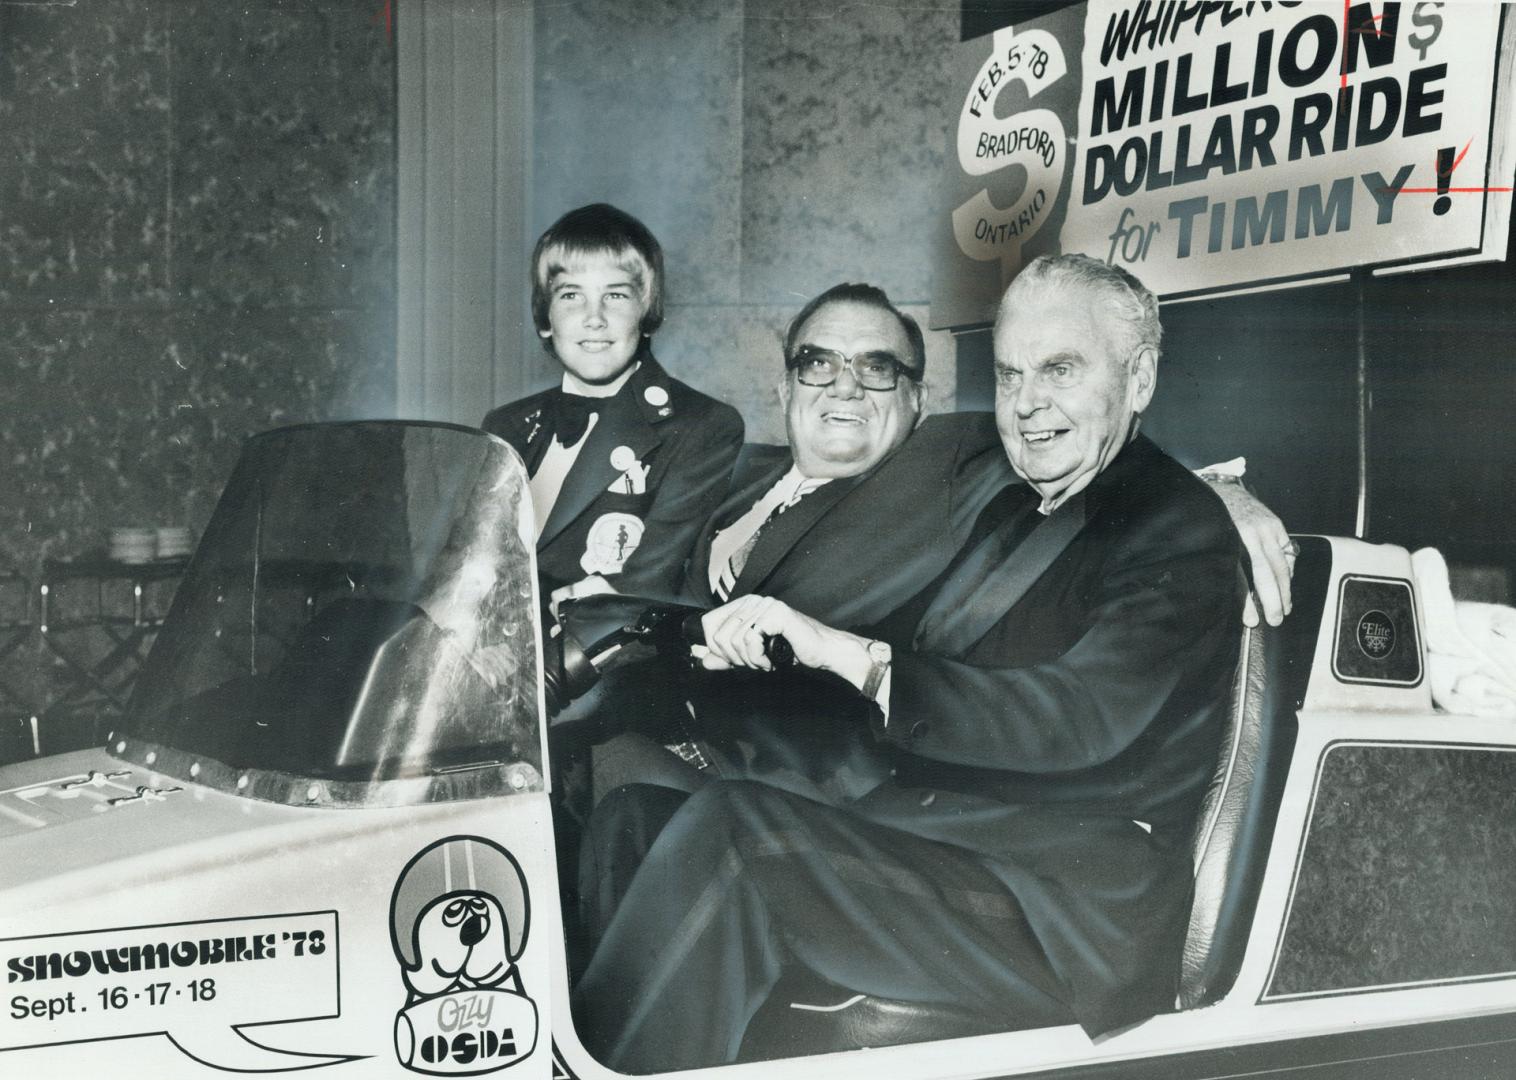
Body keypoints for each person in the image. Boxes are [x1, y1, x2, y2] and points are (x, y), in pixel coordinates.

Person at [570, 254, 1247, 1073]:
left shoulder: (1180, 527)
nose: (1028, 404)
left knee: (735, 838)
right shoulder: (1003, 487)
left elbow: (1077, 717)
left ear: (1139, 379)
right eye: (1009, 374)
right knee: (633, 818)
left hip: (1063, 902)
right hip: (935, 832)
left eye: (1061, 370)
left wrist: (857, 659)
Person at [482, 204, 744, 607]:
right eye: (571, 295)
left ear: (647, 311)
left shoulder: (702, 426)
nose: (594, 318)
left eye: (616, 295)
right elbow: (469, 567)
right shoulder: (507, 425)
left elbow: (648, 583)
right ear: (545, 317)